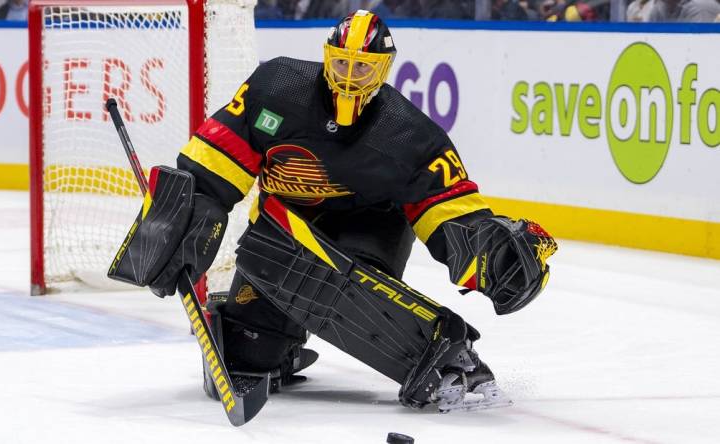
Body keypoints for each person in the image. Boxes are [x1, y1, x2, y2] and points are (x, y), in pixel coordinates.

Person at [115, 10, 557, 412]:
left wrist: (487, 252)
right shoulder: (275, 87)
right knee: (247, 354)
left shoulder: (409, 134)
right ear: (328, 57)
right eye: (342, 62)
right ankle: (264, 334)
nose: (349, 75)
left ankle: (447, 352)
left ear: (383, 69)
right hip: (282, 227)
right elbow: (215, 159)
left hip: (368, 231)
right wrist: (189, 212)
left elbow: (448, 207)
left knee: (339, 282)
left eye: (362, 66)